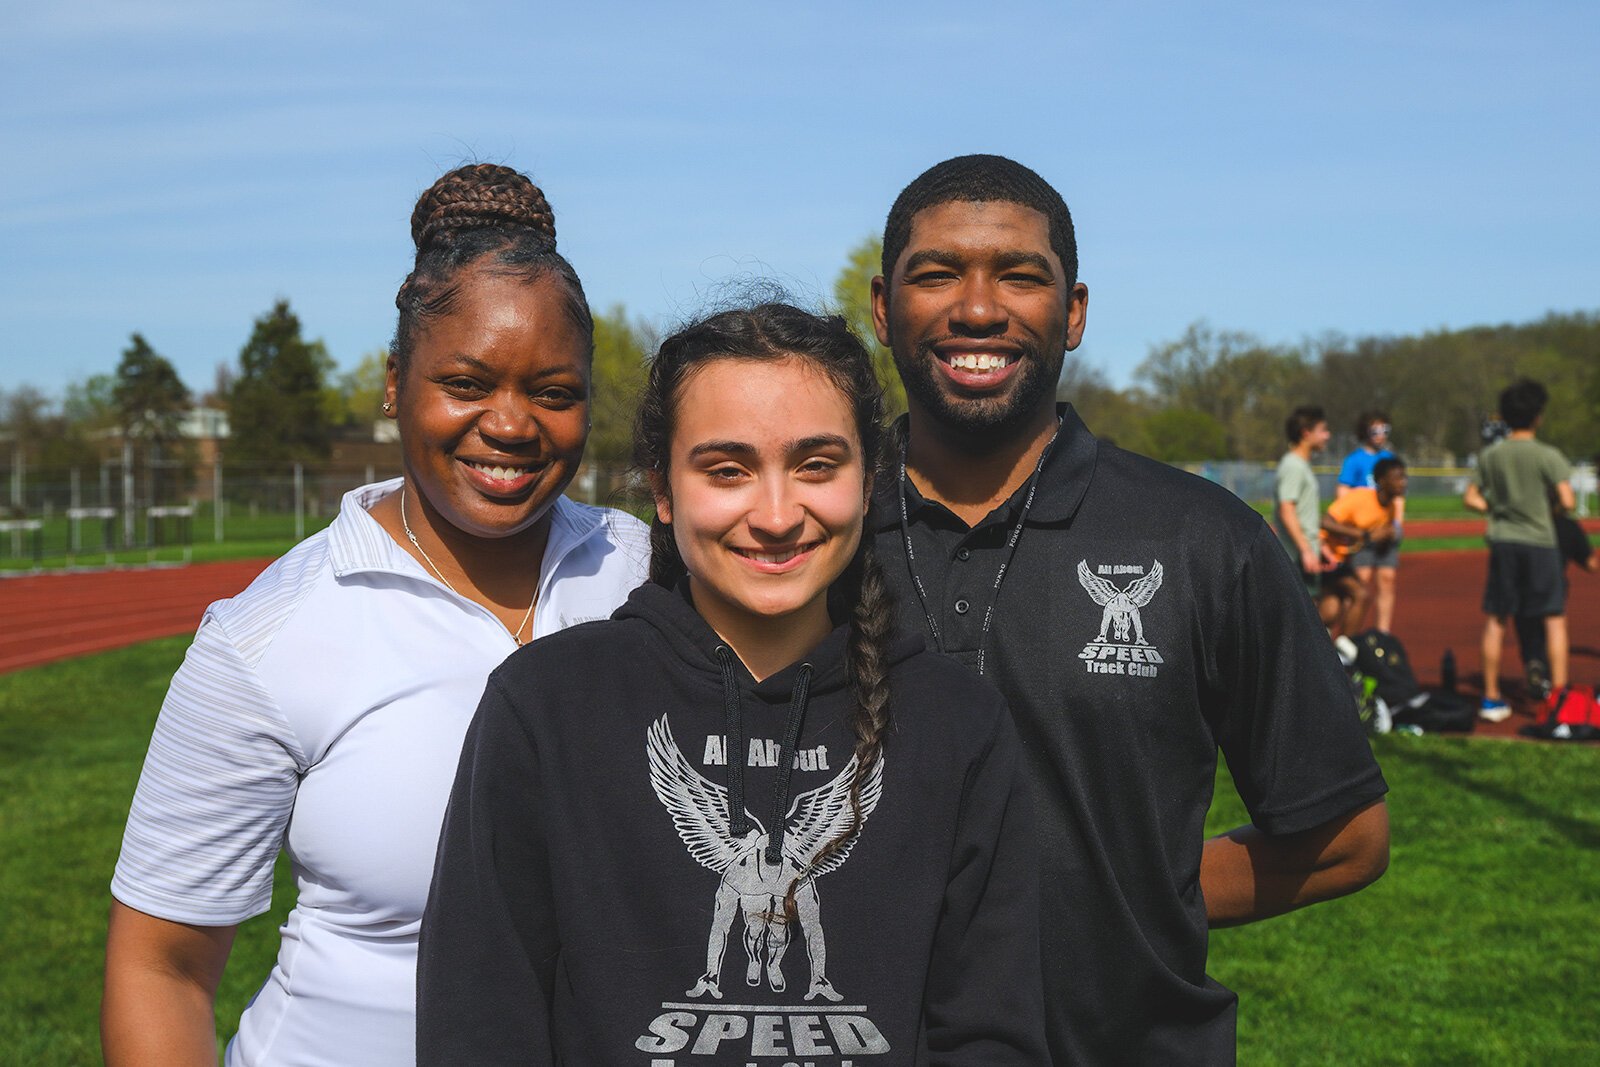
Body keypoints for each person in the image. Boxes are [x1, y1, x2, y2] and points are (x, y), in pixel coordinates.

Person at [101, 164, 650, 1066]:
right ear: (396, 382)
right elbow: (160, 967)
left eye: (554, 392)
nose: (511, 424)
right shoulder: (266, 636)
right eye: (467, 383)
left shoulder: (644, 573)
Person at [416, 303, 1045, 1064]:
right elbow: (480, 1023)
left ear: (870, 480)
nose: (777, 514)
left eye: (817, 464)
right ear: (663, 488)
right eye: (727, 469)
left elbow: (991, 1033)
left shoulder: (955, 720)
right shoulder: (546, 705)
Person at [866, 154, 1390, 1064]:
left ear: (1072, 313)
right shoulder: (797, 533)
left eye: (1021, 275)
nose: (979, 307)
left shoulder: (1205, 538)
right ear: (882, 307)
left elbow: (1347, 836)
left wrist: (1137, 886)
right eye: (938, 271)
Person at [1463, 378, 1575, 723]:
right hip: (1540, 542)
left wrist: (1495, 511)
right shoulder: (1548, 455)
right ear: (1538, 416)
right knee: (1553, 619)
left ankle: (1491, 697)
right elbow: (1568, 501)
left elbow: (1470, 497)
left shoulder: (1490, 455)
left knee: (1497, 620)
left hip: (1503, 540)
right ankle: (1558, 699)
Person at [1320, 457, 1408, 638]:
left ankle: (1327, 647)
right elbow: (1325, 522)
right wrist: (1365, 535)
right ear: (1381, 481)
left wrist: (1387, 536)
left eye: (1404, 477)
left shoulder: (1390, 507)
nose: (1403, 482)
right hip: (1325, 556)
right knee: (1360, 595)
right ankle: (1344, 651)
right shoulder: (1359, 497)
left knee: (1331, 611)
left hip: (1343, 560)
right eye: (1397, 477)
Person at [1338, 411, 1405, 632]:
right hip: (1363, 531)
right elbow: (1343, 494)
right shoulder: (1355, 460)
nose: (1380, 435)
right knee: (1360, 583)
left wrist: (1396, 525)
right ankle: (1350, 635)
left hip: (1385, 529)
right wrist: (1351, 527)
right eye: (1375, 430)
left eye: (1385, 430)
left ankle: (1382, 635)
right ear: (1365, 431)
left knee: (1387, 580)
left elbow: (1399, 498)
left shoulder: (1390, 459)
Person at [1274, 405, 1335, 595]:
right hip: (1297, 556)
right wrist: (1306, 550)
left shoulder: (1302, 465)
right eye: (1323, 430)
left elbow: (1305, 513)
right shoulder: (1293, 466)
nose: (1327, 435)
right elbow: (1287, 509)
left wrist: (1320, 545)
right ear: (1306, 433)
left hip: (1308, 550)